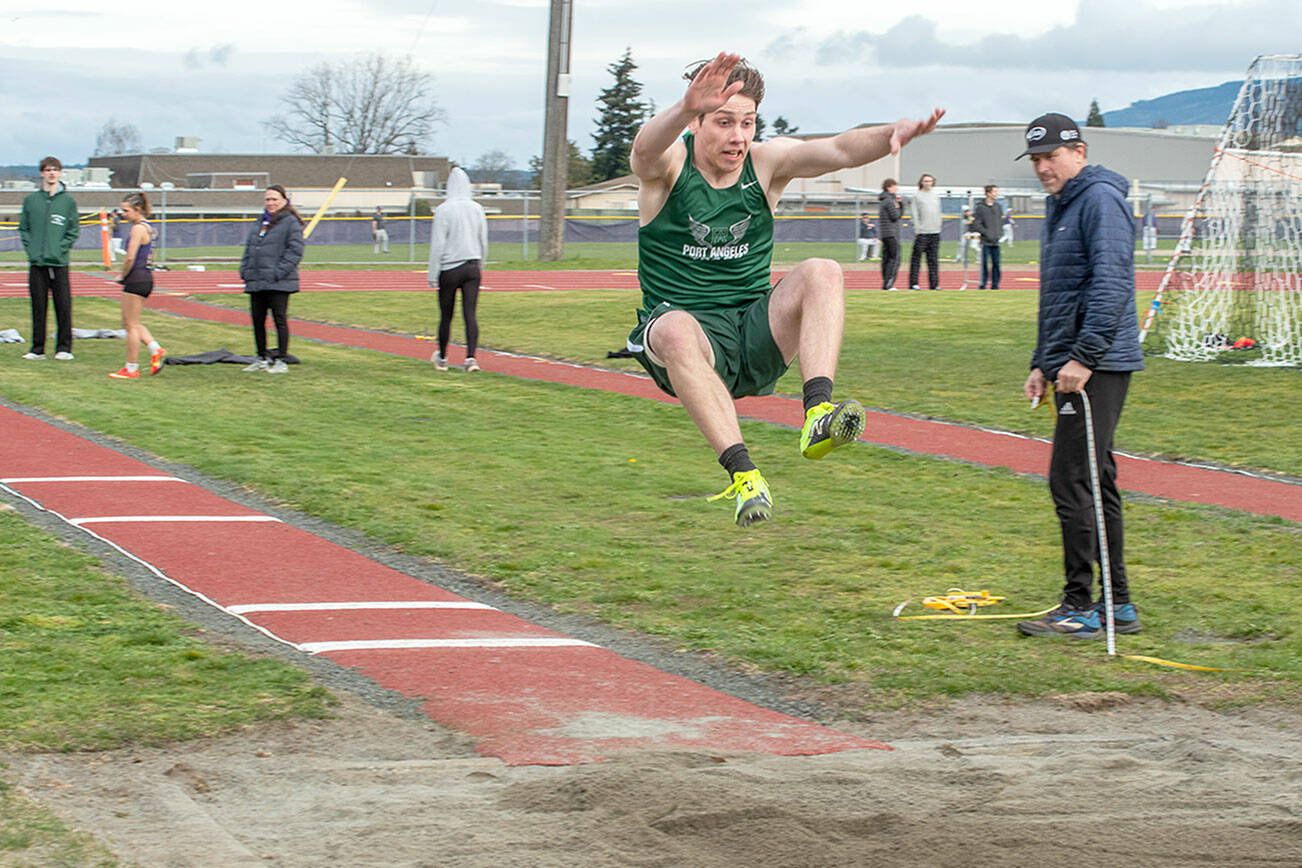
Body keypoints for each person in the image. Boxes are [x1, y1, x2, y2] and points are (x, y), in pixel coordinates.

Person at [627, 52, 942, 526]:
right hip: (688, 337)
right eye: (723, 122)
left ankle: (818, 414)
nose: (738, 136)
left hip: (755, 331)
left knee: (823, 271)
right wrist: (683, 106)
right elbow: (643, 152)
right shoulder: (671, 165)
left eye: (747, 122)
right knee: (673, 329)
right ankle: (744, 477)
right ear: (696, 121)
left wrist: (890, 134)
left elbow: (838, 150)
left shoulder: (765, 163)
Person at [1015, 112, 1144, 639]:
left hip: (1098, 365)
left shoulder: (1099, 201)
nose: (1043, 168)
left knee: (1070, 480)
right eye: (1036, 160)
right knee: (1094, 479)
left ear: (1079, 151)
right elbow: (1060, 294)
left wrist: (1083, 359)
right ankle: (1117, 605)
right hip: (1073, 364)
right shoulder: (1063, 204)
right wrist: (1042, 362)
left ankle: (1081, 606)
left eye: (1051, 157)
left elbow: (1111, 285)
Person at [18, 156, 80, 361]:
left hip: (58, 263)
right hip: (37, 263)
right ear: (42, 173)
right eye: (47, 170)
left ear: (60, 173)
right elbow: (24, 228)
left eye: (55, 170)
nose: (51, 173)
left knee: (63, 305)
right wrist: (32, 250)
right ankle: (37, 349)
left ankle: (64, 348)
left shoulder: (68, 202)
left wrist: (59, 250)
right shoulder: (31, 200)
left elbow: (72, 230)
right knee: (38, 306)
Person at [427, 167, 488, 373]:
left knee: (446, 315)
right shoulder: (477, 208)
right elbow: (483, 240)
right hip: (472, 265)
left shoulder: (444, 210)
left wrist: (432, 273)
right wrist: (480, 265)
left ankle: (443, 357)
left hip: (450, 267)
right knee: (470, 314)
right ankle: (471, 358)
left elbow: (438, 244)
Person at [239, 185, 304, 374]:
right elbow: (250, 248)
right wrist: (245, 270)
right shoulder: (260, 222)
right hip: (256, 279)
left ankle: (281, 360)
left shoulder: (290, 222)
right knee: (257, 320)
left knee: (279, 320)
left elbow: (295, 251)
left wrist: (278, 272)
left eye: (274, 199)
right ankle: (261, 358)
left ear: (284, 200)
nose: (270, 203)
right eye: (267, 199)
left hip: (278, 282)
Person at [107, 192, 166, 379]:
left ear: (137, 209)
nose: (123, 214)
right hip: (144, 277)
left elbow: (130, 257)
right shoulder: (149, 227)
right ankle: (155, 349)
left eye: (126, 210)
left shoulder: (138, 229)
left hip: (136, 278)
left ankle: (131, 368)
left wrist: (122, 276)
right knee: (128, 322)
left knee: (131, 326)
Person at [907, 172, 942, 290]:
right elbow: (914, 213)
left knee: (933, 260)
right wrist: (917, 228)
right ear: (921, 182)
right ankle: (914, 283)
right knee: (916, 259)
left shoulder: (935, 195)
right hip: (922, 232)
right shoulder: (917, 196)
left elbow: (938, 211)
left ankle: (934, 284)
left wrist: (938, 225)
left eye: (930, 181)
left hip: (935, 231)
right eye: (926, 181)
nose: (928, 183)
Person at [972, 184, 1003, 289]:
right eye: (995, 192)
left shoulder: (998, 207)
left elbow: (999, 221)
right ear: (988, 193)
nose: (996, 194)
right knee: (984, 264)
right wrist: (986, 233)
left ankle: (995, 285)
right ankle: (983, 284)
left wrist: (999, 234)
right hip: (985, 241)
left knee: (996, 263)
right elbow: (977, 224)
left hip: (996, 241)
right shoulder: (980, 208)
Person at [877, 178, 902, 290]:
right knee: (894, 258)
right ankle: (889, 283)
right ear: (889, 187)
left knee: (886, 258)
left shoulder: (883, 200)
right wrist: (900, 205)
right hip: (892, 233)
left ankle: (886, 282)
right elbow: (895, 216)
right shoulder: (889, 201)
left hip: (885, 233)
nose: (896, 189)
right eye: (894, 187)